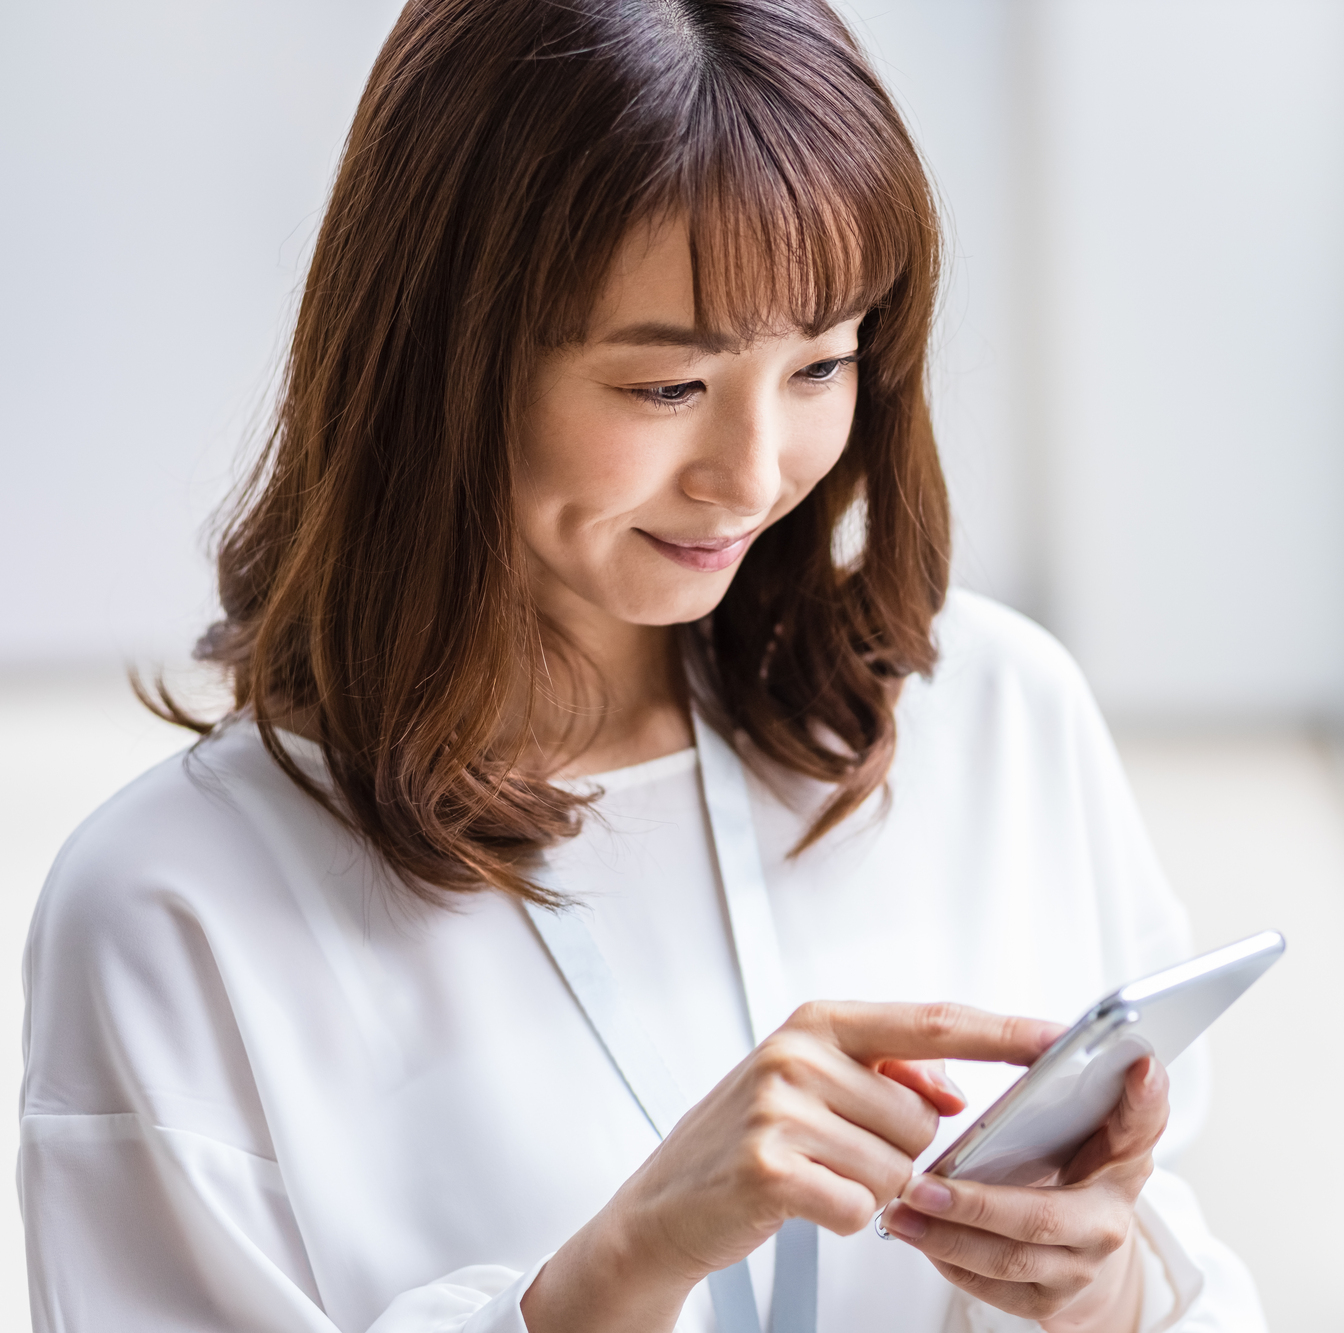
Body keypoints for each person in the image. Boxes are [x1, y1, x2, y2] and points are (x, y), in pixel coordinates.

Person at [18, 2, 1266, 1330]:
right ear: (445, 353)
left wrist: (1102, 1286)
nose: (755, 470)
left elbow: (1169, 1240)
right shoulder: (174, 913)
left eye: (824, 361)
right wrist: (609, 1275)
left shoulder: (996, 715)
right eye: (667, 388)